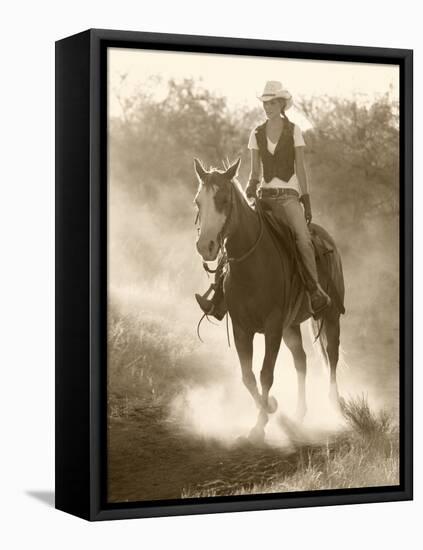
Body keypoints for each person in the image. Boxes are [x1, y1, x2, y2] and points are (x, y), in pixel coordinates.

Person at [196, 80, 331, 319]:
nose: (267, 107)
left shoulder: (295, 131)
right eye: (265, 103)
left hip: (289, 198)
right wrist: (250, 187)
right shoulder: (256, 133)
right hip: (264, 198)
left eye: (272, 103)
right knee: (234, 234)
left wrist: (306, 198)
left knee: (303, 239)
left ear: (281, 104)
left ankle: (314, 291)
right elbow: (255, 172)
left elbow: (300, 167)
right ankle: (218, 296)